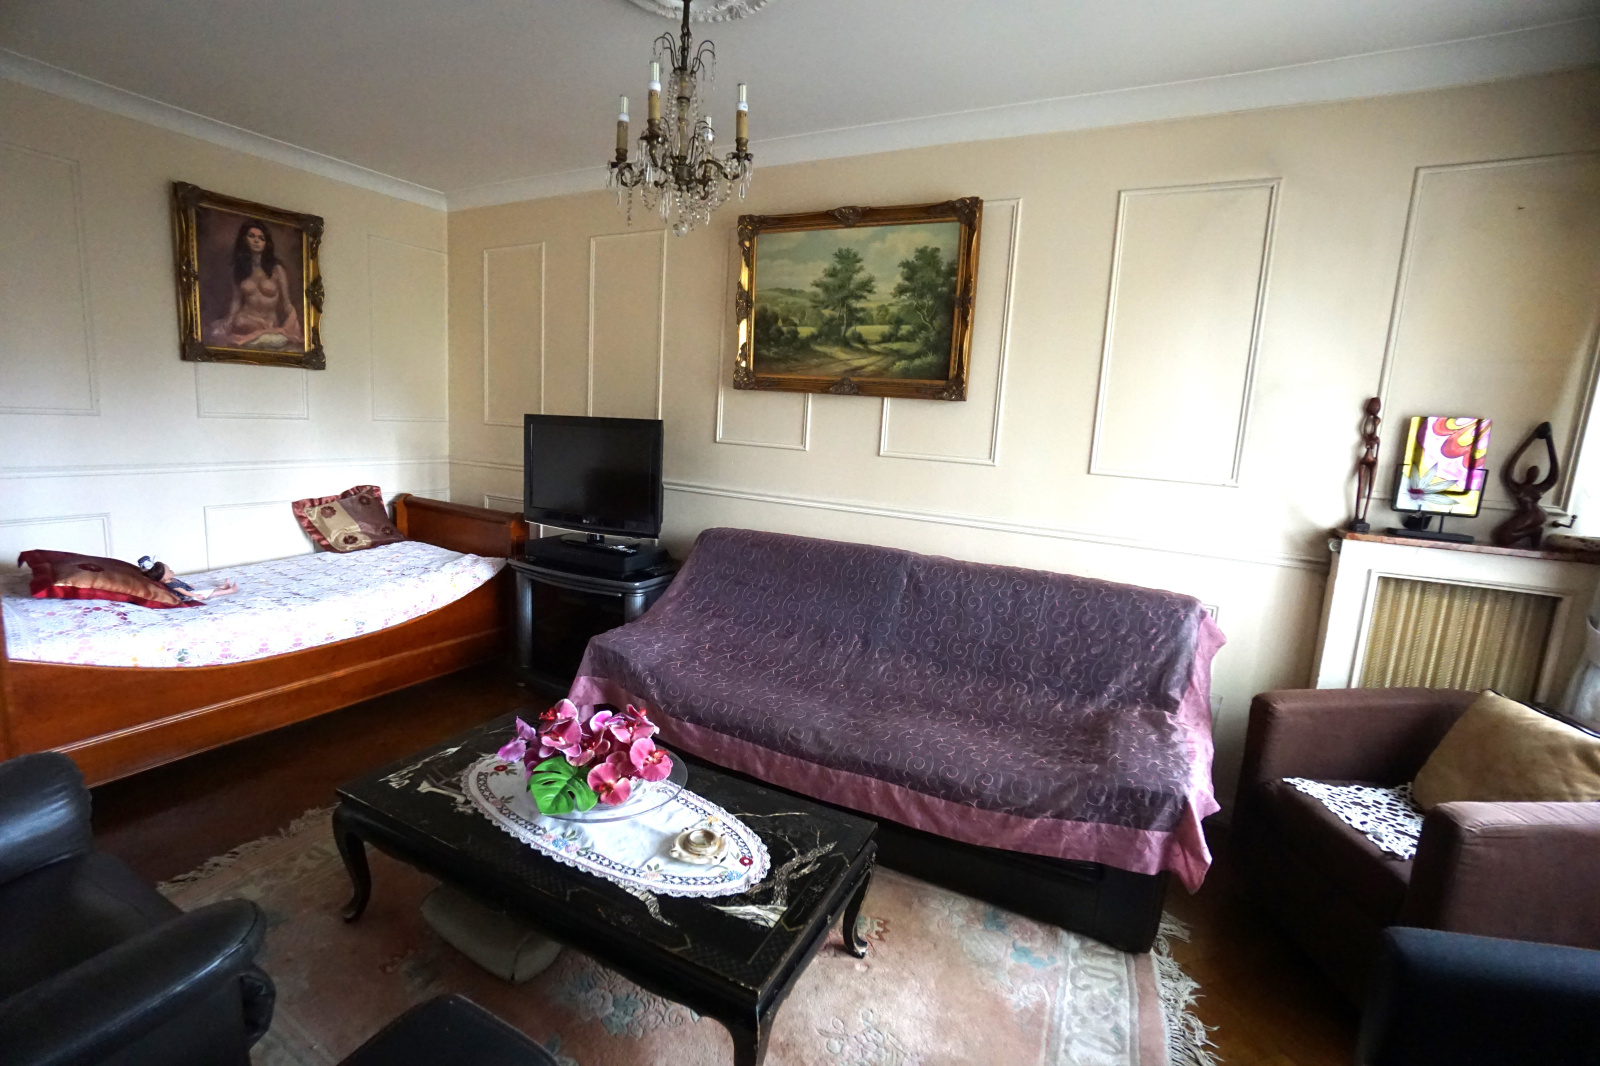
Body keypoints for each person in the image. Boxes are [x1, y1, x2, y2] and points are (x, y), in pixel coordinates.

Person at [205, 219, 302, 350]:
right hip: (246, 322)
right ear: (244, 239)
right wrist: (229, 320)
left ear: (266, 243)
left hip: (270, 323)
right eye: (252, 236)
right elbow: (236, 301)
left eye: (261, 238)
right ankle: (255, 328)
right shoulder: (238, 270)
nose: (256, 241)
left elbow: (287, 303)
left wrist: (293, 320)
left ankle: (264, 329)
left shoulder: (277, 270)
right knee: (239, 321)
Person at [137, 557, 238, 603]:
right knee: (207, 593)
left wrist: (189, 586)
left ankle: (223, 587)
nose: (171, 570)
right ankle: (229, 591)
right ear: (164, 577)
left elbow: (182, 584)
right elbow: (184, 592)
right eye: (169, 570)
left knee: (205, 588)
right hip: (188, 597)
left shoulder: (171, 580)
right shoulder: (171, 584)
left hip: (190, 591)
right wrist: (195, 595)